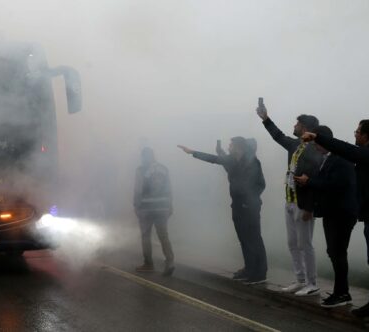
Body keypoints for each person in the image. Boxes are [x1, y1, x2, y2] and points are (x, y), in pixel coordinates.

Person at [302, 119, 369, 323]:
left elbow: (347, 150)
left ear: (366, 136)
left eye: (357, 131)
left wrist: (318, 137)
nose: (355, 134)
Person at [178, 137, 268, 284]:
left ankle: (259, 273)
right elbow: (213, 159)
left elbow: (260, 185)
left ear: (239, 147)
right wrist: (192, 152)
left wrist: (248, 201)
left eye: (231, 145)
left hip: (250, 207)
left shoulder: (252, 162)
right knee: (243, 239)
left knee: (253, 238)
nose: (229, 147)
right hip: (237, 205)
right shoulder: (232, 160)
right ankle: (249, 268)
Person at [257, 102, 323, 296]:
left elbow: (316, 179)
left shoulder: (314, 149)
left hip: (304, 203)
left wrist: (310, 207)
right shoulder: (296, 144)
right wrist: (265, 119)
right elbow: (278, 136)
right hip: (290, 201)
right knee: (293, 243)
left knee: (306, 244)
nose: (293, 126)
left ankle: (312, 283)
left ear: (304, 127)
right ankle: (300, 279)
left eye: (297, 124)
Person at [293, 125, 358, 308]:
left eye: (317, 143)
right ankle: (340, 291)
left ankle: (342, 293)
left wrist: (309, 181)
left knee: (337, 253)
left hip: (341, 213)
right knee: (334, 252)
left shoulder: (341, 159)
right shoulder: (328, 158)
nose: (315, 147)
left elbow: (336, 185)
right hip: (333, 212)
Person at [133, 147, 175, 276]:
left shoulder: (141, 170)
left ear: (144, 157)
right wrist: (170, 205)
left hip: (147, 208)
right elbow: (169, 188)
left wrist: (136, 205)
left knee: (146, 236)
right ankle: (170, 261)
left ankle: (148, 264)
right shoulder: (164, 168)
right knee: (163, 235)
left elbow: (138, 189)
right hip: (162, 207)